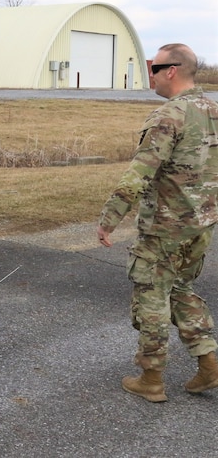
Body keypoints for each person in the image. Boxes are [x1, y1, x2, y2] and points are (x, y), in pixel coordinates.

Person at [97, 43, 218, 402]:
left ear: (172, 70)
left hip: (165, 228)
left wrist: (108, 220)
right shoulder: (214, 109)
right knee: (180, 289)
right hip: (201, 226)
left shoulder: (170, 116)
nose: (149, 73)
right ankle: (209, 363)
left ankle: (151, 378)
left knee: (151, 294)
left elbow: (139, 174)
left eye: (154, 67)